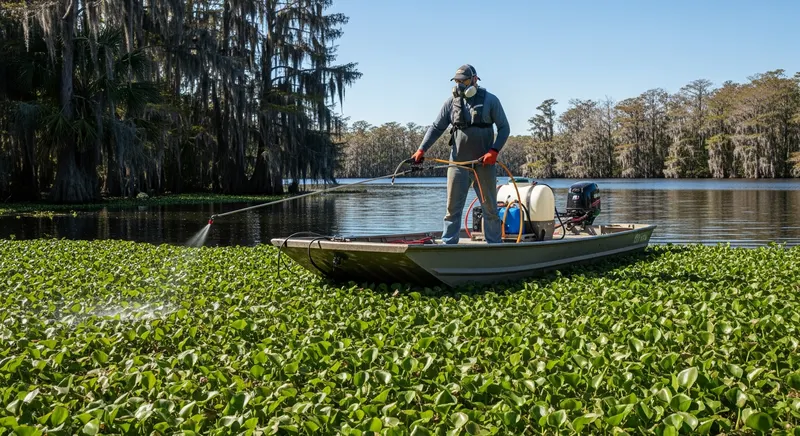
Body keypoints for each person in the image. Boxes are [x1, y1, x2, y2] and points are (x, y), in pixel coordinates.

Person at [411, 64, 510, 244]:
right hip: (457, 164)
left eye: (463, 81)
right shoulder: (451, 103)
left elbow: (504, 128)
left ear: (474, 79)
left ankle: (495, 246)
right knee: (452, 210)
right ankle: (448, 245)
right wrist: (421, 149)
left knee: (490, 209)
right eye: (457, 81)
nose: (460, 85)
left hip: (484, 164)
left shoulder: (491, 100)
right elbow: (436, 128)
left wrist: (494, 151)